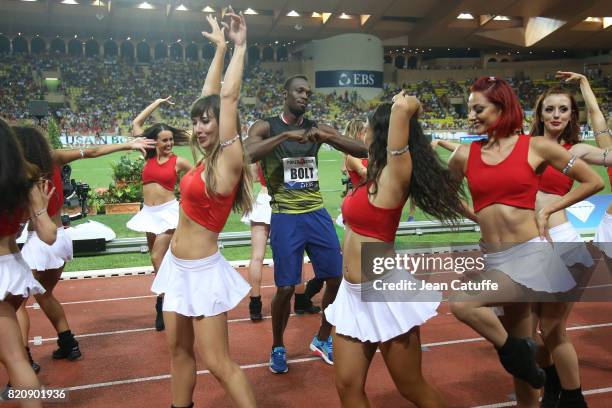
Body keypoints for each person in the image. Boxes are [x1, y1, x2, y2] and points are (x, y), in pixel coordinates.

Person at [447, 77, 603, 397]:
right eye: (469, 109)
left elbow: (592, 182)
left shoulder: (537, 147)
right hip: (495, 258)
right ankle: (523, 362)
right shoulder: (463, 155)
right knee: (525, 368)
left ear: (501, 109)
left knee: (463, 303)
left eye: (478, 108)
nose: (470, 115)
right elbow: (445, 197)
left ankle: (519, 355)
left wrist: (548, 210)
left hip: (532, 258)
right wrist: (478, 217)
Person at [325, 92, 465, 406]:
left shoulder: (395, 172)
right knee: (347, 386)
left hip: (384, 291)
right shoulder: (373, 174)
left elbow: (406, 107)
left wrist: (401, 102)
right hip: (351, 294)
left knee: (411, 387)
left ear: (384, 132)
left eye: (368, 127)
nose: (363, 131)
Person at [150, 11, 256, 407]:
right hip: (178, 269)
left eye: (206, 123)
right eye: (195, 123)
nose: (198, 128)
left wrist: (240, 47)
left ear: (224, 125)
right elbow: (210, 96)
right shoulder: (205, 156)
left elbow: (225, 97)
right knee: (178, 353)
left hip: (203, 272)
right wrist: (219, 48)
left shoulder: (229, 158)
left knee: (218, 361)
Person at [245, 74, 368, 373]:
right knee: (286, 287)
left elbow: (361, 150)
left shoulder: (315, 127)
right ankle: (277, 346)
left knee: (337, 279)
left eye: (308, 93)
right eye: (299, 91)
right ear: (285, 93)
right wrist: (286, 137)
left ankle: (322, 339)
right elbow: (247, 153)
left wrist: (329, 137)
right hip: (286, 215)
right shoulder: (266, 126)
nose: (304, 96)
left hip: (316, 213)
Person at [13, 126, 154, 366]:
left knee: (16, 304)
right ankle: (69, 344)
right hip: (61, 237)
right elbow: (91, 151)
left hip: (40, 241)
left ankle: (23, 358)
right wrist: (127, 144)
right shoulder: (54, 158)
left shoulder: (21, 172)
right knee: (45, 294)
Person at [529, 71, 611, 408]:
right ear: (540, 114)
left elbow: (605, 143)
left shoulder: (575, 150)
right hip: (529, 244)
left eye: (564, 109)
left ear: (571, 115)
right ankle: (552, 387)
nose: (557, 116)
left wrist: (584, 87)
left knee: (552, 327)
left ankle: (570, 397)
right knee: (536, 330)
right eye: (550, 110)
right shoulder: (527, 145)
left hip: (564, 241)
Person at [0, 118, 57, 408]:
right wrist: (39, 211)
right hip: (14, 270)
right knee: (13, 357)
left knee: (14, 359)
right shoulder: (26, 179)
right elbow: (48, 235)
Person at [128, 97, 192, 331]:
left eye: (171, 140)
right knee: (160, 260)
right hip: (149, 213)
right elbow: (136, 122)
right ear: (154, 141)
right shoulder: (148, 155)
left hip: (169, 213)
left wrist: (188, 200)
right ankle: (163, 299)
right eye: (164, 140)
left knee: (157, 258)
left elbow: (197, 177)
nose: (169, 144)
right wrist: (157, 102)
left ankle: (165, 302)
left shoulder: (178, 161)